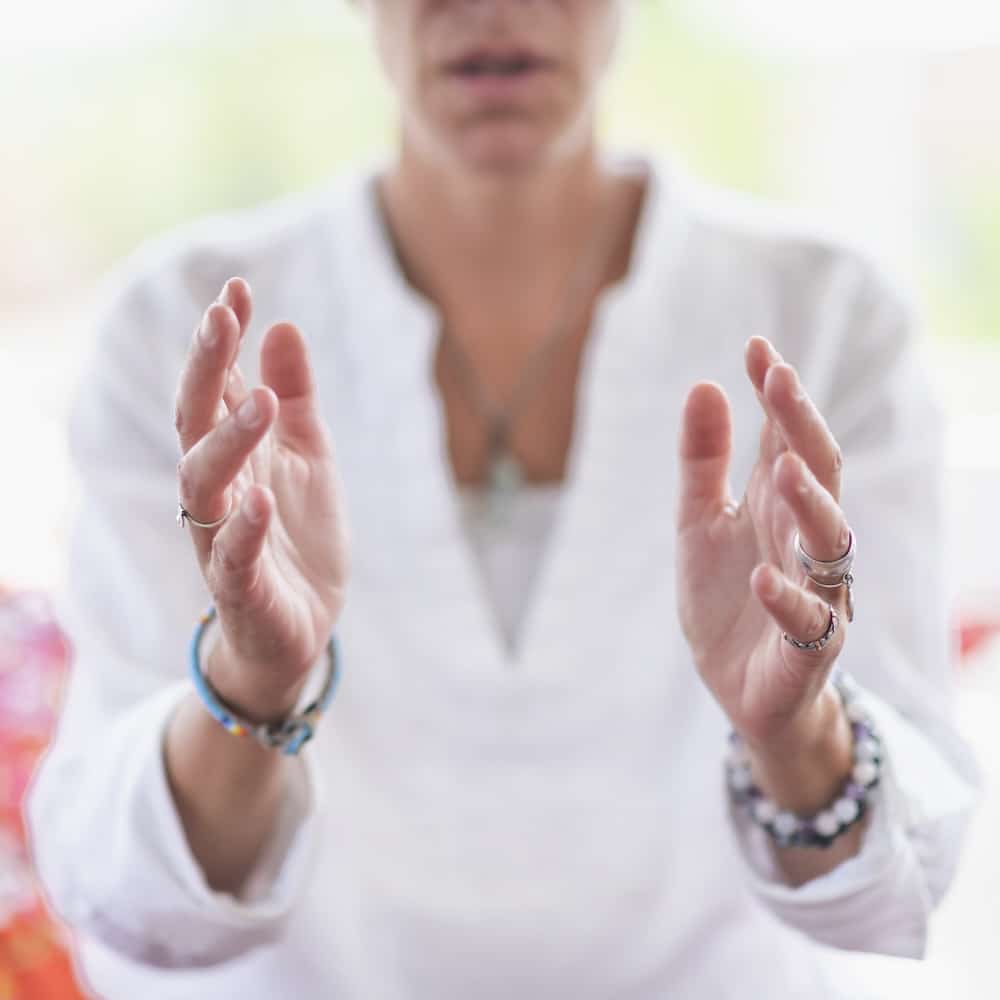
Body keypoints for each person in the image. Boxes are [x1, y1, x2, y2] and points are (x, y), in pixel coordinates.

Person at [27, 1, 977, 997]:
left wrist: (796, 732)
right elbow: (130, 893)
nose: (491, 9)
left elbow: (901, 876)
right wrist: (250, 681)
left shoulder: (826, 317)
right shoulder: (180, 324)